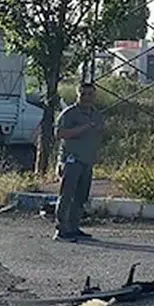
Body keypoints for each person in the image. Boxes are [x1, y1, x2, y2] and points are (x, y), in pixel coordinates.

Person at [52, 83, 106, 242]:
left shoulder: (96, 115)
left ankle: (74, 227)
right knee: (67, 195)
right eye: (84, 94)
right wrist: (83, 128)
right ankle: (61, 230)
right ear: (78, 95)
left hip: (87, 161)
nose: (87, 98)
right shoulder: (69, 114)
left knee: (81, 196)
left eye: (90, 94)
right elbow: (60, 134)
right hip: (71, 160)